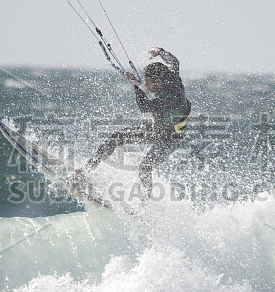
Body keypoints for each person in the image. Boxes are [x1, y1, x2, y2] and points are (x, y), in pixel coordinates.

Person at [78, 47, 191, 196]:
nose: (146, 85)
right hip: (157, 126)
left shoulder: (171, 97)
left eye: (148, 82)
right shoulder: (171, 76)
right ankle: (86, 170)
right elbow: (174, 61)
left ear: (158, 81)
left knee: (145, 168)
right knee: (117, 137)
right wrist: (160, 51)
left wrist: (136, 86)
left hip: (169, 138)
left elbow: (145, 107)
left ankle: (143, 207)